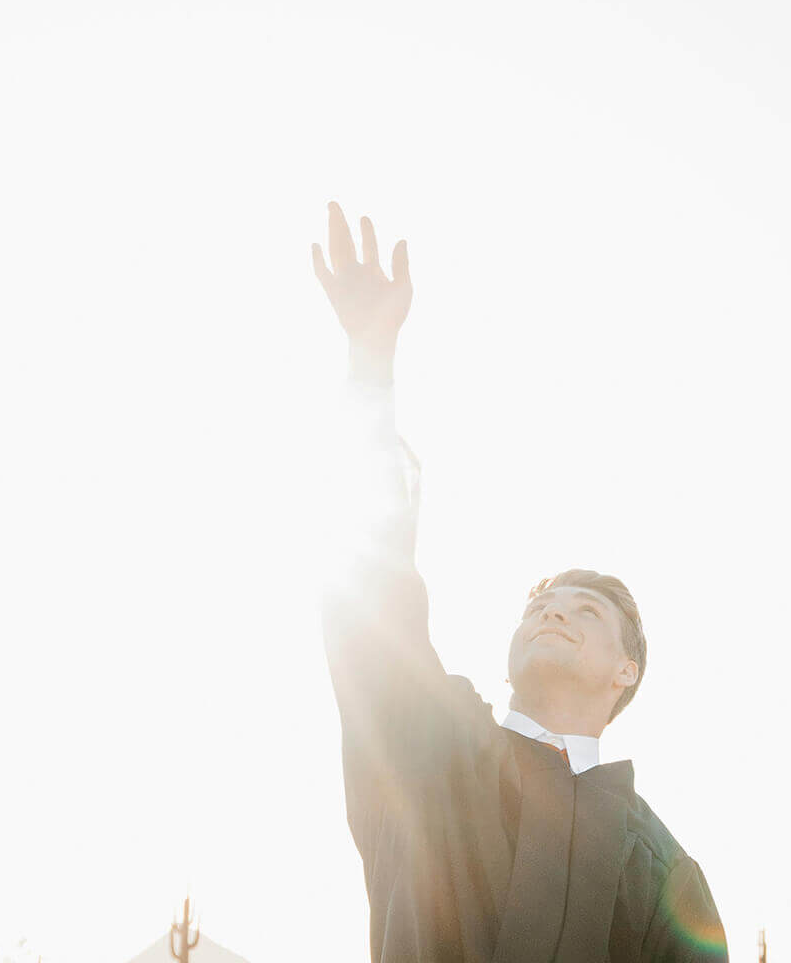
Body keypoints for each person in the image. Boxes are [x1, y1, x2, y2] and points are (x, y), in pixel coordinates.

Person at [310, 200, 728, 963]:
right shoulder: (429, 745)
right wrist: (370, 366)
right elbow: (372, 604)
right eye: (540, 603)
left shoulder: (665, 872)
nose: (553, 613)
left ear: (625, 672)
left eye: (586, 611)